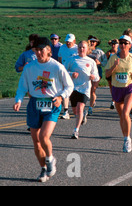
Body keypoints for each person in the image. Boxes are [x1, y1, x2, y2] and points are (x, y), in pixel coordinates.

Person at [13, 37, 74, 182]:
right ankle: (43, 170)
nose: (39, 53)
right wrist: (18, 100)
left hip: (52, 103)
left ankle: (50, 159)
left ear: (49, 51)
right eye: (37, 50)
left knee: (44, 136)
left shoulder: (57, 67)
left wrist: (61, 97)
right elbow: (22, 87)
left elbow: (69, 85)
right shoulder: (29, 67)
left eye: (42, 50)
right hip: (34, 104)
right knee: (36, 141)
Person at [105, 35, 132, 153]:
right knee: (122, 116)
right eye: (121, 43)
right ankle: (125, 136)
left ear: (130, 45)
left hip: (130, 88)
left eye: (125, 43)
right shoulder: (113, 58)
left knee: (125, 113)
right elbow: (107, 74)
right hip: (117, 89)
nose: (122, 45)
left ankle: (127, 140)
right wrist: (114, 66)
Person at [65, 41, 100, 139]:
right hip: (73, 87)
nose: (81, 49)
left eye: (83, 47)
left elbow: (97, 76)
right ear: (77, 48)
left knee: (80, 108)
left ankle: (76, 130)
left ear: (87, 49)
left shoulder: (91, 61)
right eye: (80, 47)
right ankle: (82, 115)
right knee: (75, 111)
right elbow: (63, 72)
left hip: (85, 88)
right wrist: (71, 74)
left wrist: (93, 77)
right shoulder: (72, 60)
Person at [58, 34, 78, 120]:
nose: (68, 43)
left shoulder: (77, 48)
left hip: (75, 72)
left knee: (75, 91)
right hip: (65, 72)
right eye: (67, 41)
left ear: (74, 41)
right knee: (65, 89)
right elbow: (59, 58)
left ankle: (78, 109)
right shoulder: (62, 47)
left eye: (70, 42)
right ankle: (66, 111)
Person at [87, 35, 105, 115]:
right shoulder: (86, 50)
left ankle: (90, 107)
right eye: (91, 41)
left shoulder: (99, 51)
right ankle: (92, 100)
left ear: (96, 43)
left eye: (94, 42)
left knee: (93, 90)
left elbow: (105, 62)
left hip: (97, 71)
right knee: (89, 89)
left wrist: (99, 63)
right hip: (87, 72)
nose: (92, 43)